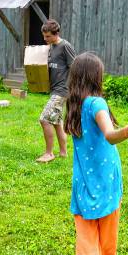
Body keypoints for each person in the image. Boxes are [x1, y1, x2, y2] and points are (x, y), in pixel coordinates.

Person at [64, 52, 128, 255]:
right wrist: (125, 131)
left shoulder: (74, 104)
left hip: (83, 182)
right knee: (106, 229)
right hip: (106, 180)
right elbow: (109, 134)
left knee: (86, 235)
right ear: (96, 77)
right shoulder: (97, 103)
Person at [36, 19, 77, 163]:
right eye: (44, 36)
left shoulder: (65, 46)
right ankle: (63, 153)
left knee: (44, 119)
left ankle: (49, 153)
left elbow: (75, 67)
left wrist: (72, 89)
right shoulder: (51, 47)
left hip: (62, 90)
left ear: (56, 33)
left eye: (48, 36)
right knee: (56, 122)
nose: (45, 39)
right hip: (54, 89)